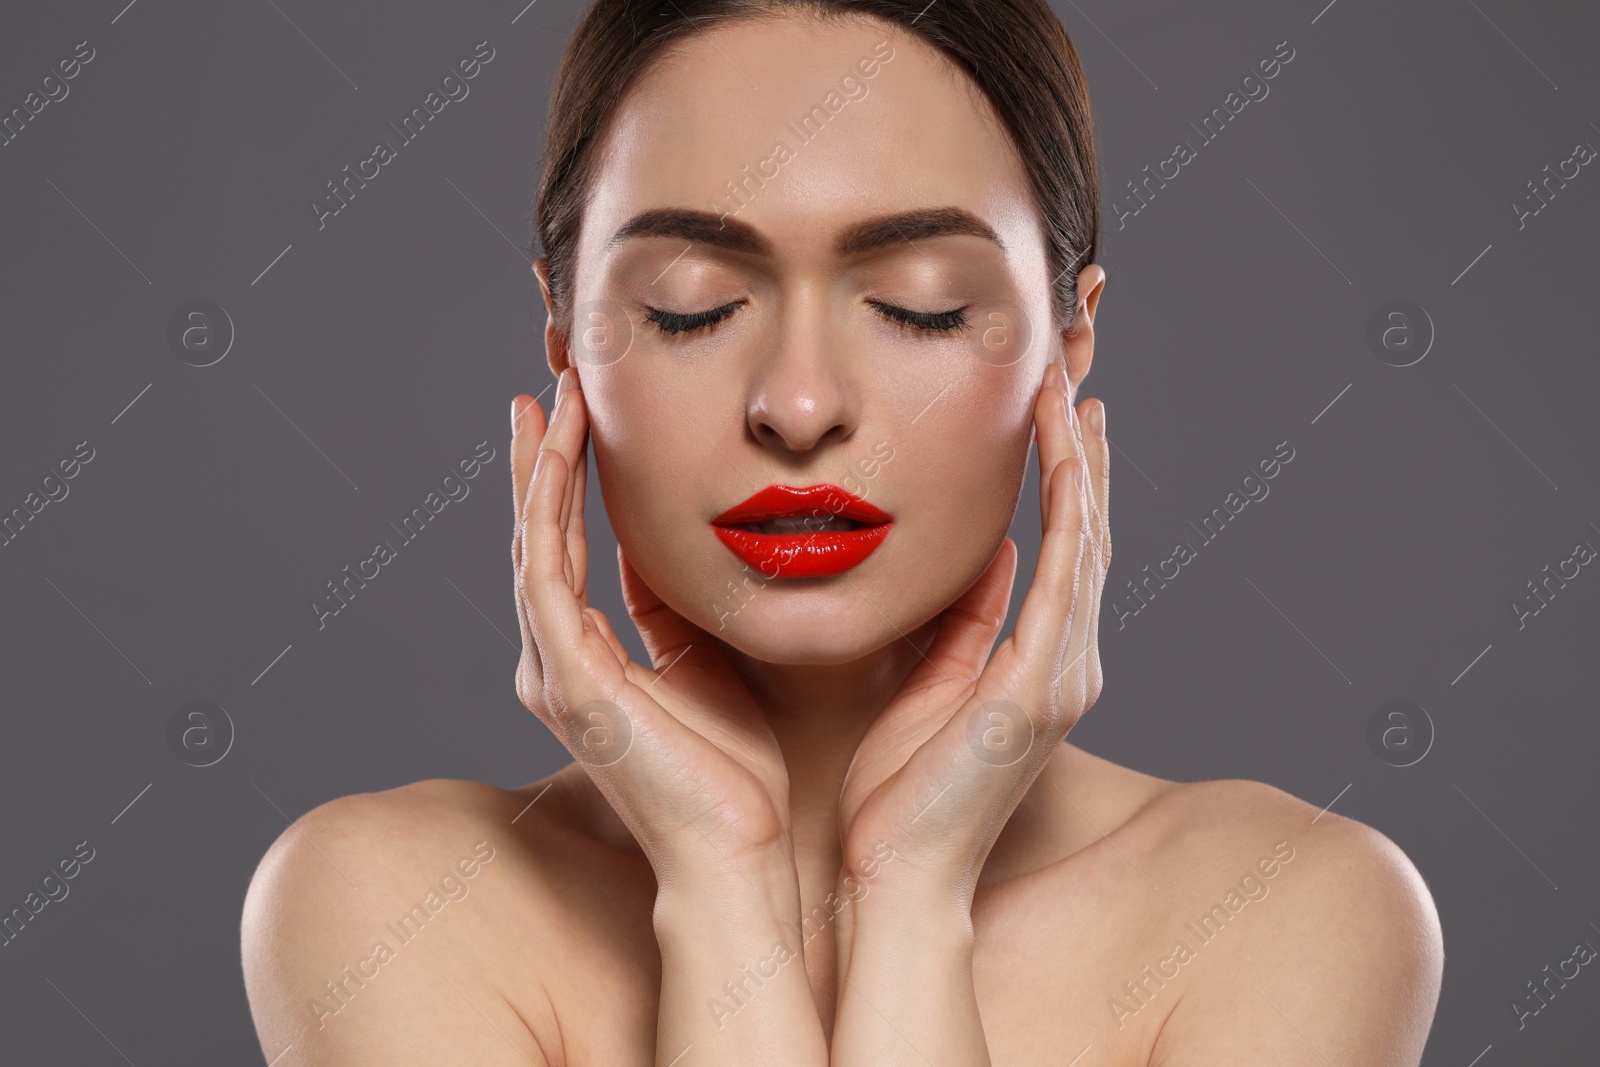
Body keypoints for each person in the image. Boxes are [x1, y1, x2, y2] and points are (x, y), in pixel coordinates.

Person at [242, 1, 1444, 1062]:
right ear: (563, 334)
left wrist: (913, 893)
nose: (801, 405)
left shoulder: (1293, 906)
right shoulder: (382, 903)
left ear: (1066, 342)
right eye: (690, 309)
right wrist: (717, 884)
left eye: (915, 306)